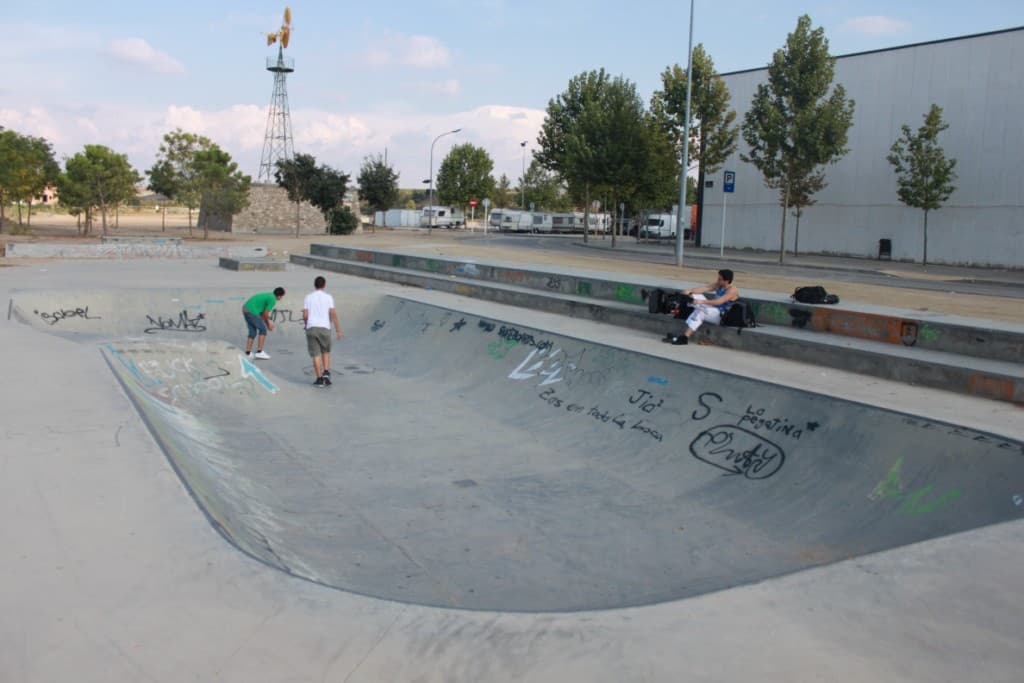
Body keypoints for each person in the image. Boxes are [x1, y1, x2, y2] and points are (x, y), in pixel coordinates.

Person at [668, 269, 739, 345]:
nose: (717, 280)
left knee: (700, 311)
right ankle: (681, 305)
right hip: (713, 309)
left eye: (720, 279)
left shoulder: (732, 290)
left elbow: (719, 301)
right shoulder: (719, 284)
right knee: (693, 296)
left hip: (722, 315)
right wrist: (689, 291)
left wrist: (701, 301)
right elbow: (705, 288)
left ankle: (685, 338)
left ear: (727, 281)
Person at [302, 276, 343, 387]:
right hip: (325, 328)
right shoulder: (328, 297)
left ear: (314, 285)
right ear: (324, 285)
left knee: (315, 355)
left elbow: (305, 315)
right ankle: (326, 373)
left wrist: (306, 325)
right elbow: (333, 313)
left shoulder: (308, 297)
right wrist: (338, 330)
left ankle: (319, 379)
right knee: (325, 351)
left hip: (311, 328)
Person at [242, 287, 285, 359]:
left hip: (245, 308)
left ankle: (248, 353)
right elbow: (265, 313)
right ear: (279, 296)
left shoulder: (269, 295)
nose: (282, 298)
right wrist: (268, 325)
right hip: (252, 311)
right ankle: (259, 352)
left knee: (252, 332)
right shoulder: (272, 299)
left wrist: (263, 320)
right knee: (263, 330)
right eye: (282, 296)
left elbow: (262, 312)